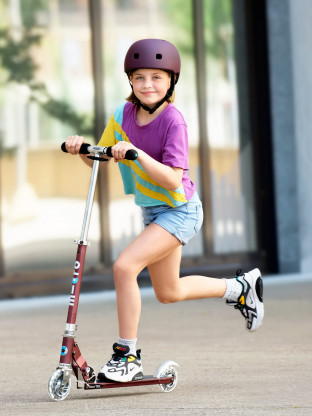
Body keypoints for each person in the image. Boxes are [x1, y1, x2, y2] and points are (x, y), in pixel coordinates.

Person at [65, 38, 264, 383]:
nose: (147, 85)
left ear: (171, 80)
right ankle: (240, 289)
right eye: (140, 77)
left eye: (157, 77)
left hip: (180, 210)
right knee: (167, 292)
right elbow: (100, 157)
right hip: (153, 213)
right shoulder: (121, 116)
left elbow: (173, 180)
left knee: (125, 267)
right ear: (130, 80)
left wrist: (137, 154)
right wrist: (81, 148)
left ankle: (126, 355)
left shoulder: (174, 121)